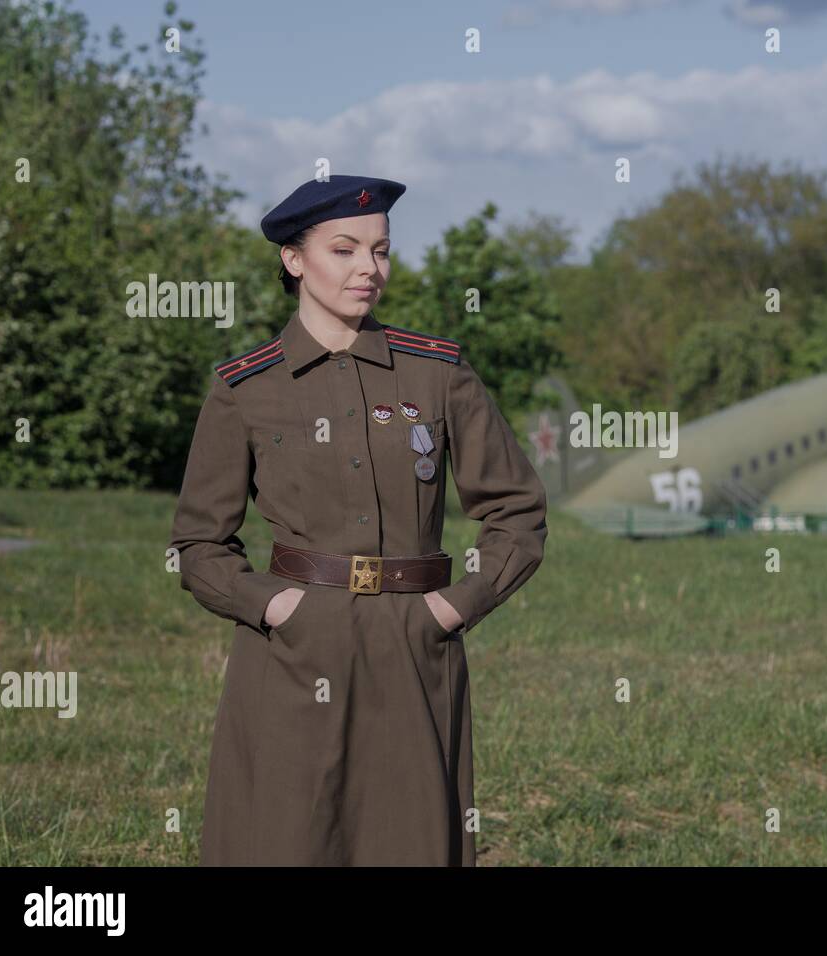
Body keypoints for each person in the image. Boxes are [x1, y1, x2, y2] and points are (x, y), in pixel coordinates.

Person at [168, 174, 548, 865]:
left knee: (412, 841)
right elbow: (199, 544)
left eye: (380, 251)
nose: (368, 270)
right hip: (292, 648)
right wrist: (278, 608)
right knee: (284, 836)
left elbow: (517, 511)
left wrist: (453, 608)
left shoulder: (438, 374)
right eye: (344, 250)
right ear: (293, 258)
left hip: (414, 644)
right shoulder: (245, 389)